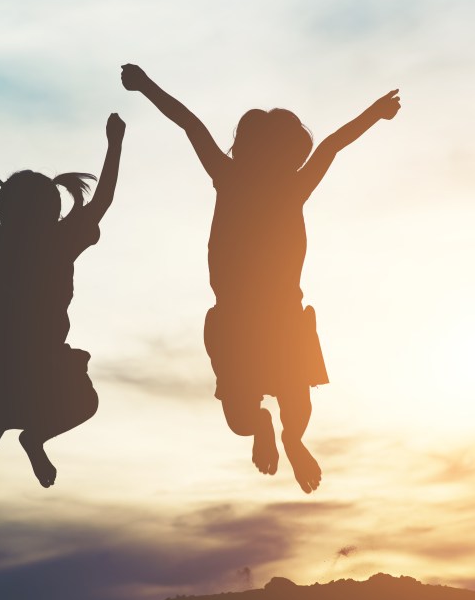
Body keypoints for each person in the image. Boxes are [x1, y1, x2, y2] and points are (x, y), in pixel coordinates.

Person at [122, 64, 400, 493]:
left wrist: (374, 114)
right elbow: (191, 124)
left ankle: (289, 438)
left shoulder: (261, 181)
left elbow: (329, 144)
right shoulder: (246, 179)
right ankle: (270, 430)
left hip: (276, 317)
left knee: (288, 403)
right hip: (244, 318)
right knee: (250, 414)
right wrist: (145, 86)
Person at [0, 112, 125, 488]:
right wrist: (114, 144)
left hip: (8, 362)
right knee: (80, 404)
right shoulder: (57, 243)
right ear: (53, 212)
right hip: (32, 361)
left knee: (65, 404)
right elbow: (103, 200)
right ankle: (21, 430)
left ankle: (22, 431)